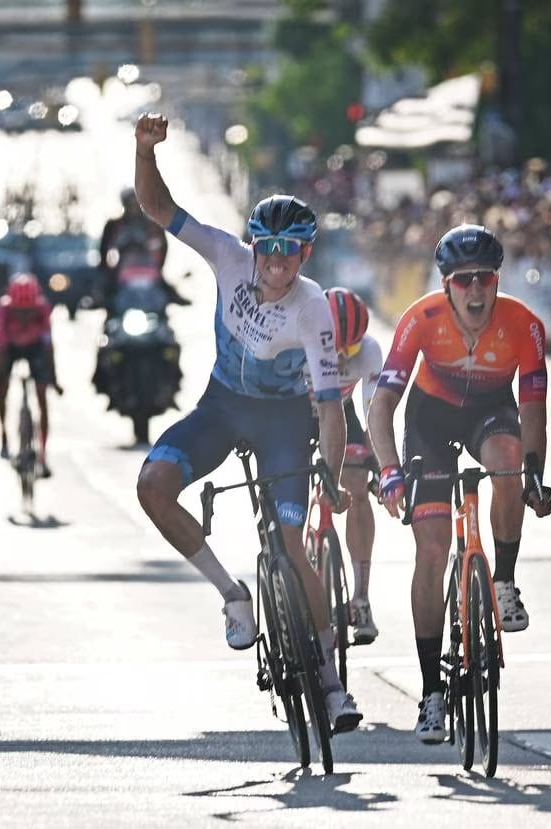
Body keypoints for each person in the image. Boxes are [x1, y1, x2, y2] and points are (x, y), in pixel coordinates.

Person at [130, 112, 362, 733]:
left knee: (293, 545)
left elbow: (330, 406)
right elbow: (160, 209)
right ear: (254, 246)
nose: (278, 263)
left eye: (291, 253)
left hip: (286, 423)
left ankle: (333, 687)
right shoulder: (227, 257)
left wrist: (333, 478)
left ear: (305, 255)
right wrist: (145, 151)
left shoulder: (313, 310)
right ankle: (233, 594)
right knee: (152, 486)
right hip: (222, 405)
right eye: (270, 250)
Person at [367, 223, 551, 744]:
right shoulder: (420, 319)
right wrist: (387, 471)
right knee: (431, 550)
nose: (476, 290)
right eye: (464, 280)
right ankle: (431, 693)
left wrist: (535, 475)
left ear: (497, 280)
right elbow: (382, 405)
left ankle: (503, 582)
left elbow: (534, 410)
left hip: (491, 413)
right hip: (431, 422)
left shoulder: (525, 324)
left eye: (485, 279)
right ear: (447, 284)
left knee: (509, 458)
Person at [323, 287, 383, 645]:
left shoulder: (371, 351)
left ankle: (360, 597)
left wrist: (383, 464)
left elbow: (374, 412)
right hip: (296, 413)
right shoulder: (295, 343)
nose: (344, 359)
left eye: (352, 350)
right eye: (334, 349)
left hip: (341, 415)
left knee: (358, 488)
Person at [0, 273, 63, 477]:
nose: (24, 315)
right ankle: (4, 436)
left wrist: (53, 380)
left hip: (35, 348)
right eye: (19, 311)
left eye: (28, 311)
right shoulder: (4, 310)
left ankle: (43, 452)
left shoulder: (42, 309)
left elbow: (48, 347)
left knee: (42, 395)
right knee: (1, 390)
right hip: (11, 347)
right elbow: (1, 348)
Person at [98, 187, 188, 316]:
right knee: (108, 296)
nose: (134, 207)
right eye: (130, 203)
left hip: (148, 268)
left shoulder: (153, 224)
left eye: (137, 203)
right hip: (123, 269)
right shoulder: (114, 225)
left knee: (164, 292)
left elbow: (163, 246)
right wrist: (105, 270)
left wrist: (158, 266)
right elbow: (103, 249)